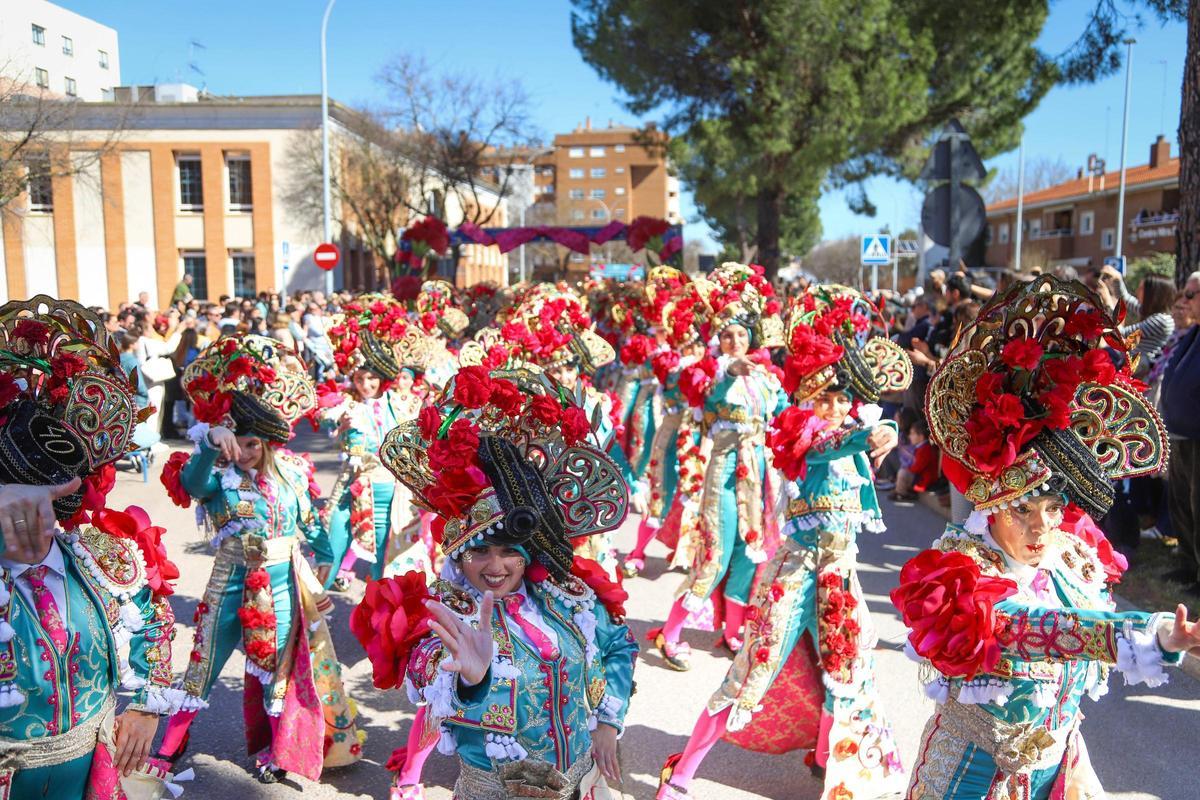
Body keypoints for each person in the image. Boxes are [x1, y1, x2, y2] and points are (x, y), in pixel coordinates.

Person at [898, 274, 1199, 798]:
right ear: (990, 507)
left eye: (1053, 507)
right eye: (1022, 510)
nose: (1041, 526)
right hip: (973, 776)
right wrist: (1143, 632)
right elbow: (1037, 629)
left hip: (1061, 768)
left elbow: (1089, 618)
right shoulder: (960, 569)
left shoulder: (1072, 557)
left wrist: (1163, 640)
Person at [657, 285, 908, 800]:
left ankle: (826, 765)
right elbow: (832, 442)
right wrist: (873, 431)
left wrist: (885, 431)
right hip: (796, 571)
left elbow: (864, 440)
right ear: (808, 397)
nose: (836, 407)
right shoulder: (804, 433)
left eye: (844, 398)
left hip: (840, 573)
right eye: (826, 397)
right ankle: (681, 773)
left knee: (845, 674)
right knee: (752, 670)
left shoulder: (854, 444)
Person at [361, 358, 638, 800]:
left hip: (584, 784)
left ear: (530, 556)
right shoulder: (444, 610)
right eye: (479, 551)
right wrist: (471, 680)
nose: (495, 566)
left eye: (511, 551)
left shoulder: (566, 598)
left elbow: (619, 645)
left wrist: (607, 721)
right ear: (457, 553)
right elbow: (426, 663)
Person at [155, 333, 362, 784]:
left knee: (274, 668)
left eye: (253, 445)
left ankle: (274, 749)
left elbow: (310, 528)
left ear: (267, 445)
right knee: (203, 663)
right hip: (230, 577)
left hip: (283, 582)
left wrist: (323, 566)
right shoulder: (218, 477)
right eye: (239, 443)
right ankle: (172, 744)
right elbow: (191, 482)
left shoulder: (291, 476)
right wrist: (212, 440)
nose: (245, 452)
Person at [0, 298, 180, 799]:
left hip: (91, 768)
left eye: (48, 501)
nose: (35, 519)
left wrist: (145, 704)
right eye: (19, 498)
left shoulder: (96, 556)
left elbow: (155, 621)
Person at [650, 264, 788, 670]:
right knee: (715, 554)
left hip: (760, 476)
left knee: (751, 553)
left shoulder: (766, 378)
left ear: (751, 337)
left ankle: (731, 632)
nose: (734, 341)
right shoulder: (708, 372)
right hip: (723, 473)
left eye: (741, 334)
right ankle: (669, 634)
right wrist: (732, 367)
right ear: (717, 338)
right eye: (727, 334)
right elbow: (709, 387)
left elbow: (786, 417)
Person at [321, 318, 426, 592]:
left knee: (383, 557)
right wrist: (338, 426)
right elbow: (325, 418)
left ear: (383, 379)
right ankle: (313, 608)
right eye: (359, 378)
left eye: (371, 378)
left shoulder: (401, 405)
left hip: (388, 490)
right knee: (331, 545)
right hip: (353, 486)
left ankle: (380, 618)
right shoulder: (347, 404)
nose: (365, 384)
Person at [1162, 271, 1200, 592]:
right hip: (1181, 435)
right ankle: (1188, 564)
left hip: (1198, 436)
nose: (1184, 301)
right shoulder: (1192, 334)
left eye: (1191, 295)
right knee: (1182, 504)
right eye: (1184, 294)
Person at [1099, 266, 1176, 374]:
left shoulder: (1162, 320)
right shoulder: (1153, 313)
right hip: (1131, 365)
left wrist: (1107, 303)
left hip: (1137, 371)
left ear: (1153, 295)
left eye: (1141, 288)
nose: (1137, 291)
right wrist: (1117, 278)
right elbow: (1126, 298)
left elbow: (1122, 334)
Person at [890, 420, 935, 506]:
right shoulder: (920, 447)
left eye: (912, 434)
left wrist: (909, 469)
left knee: (903, 473)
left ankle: (901, 493)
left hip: (924, 478)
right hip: (920, 475)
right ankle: (899, 491)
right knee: (903, 471)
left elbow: (918, 467)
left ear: (921, 437)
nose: (910, 436)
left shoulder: (925, 449)